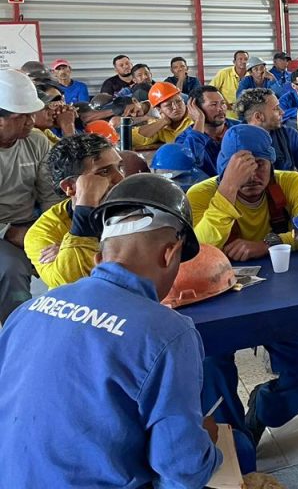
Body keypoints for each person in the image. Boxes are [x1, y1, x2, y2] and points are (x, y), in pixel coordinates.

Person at [0, 173, 222, 488]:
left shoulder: (29, 310)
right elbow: (181, 471)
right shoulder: (168, 333)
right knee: (232, 450)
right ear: (170, 253)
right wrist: (207, 448)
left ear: (98, 259)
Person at [188, 125, 298, 451]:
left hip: (277, 302)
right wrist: (227, 190)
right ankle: (235, 447)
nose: (252, 176)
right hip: (215, 307)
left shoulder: (290, 183)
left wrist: (268, 244)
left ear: (272, 163)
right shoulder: (200, 195)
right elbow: (195, 250)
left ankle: (264, 409)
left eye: (260, 165)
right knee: (210, 369)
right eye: (242, 167)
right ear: (225, 168)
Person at [0, 70, 63, 323]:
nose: (31, 121)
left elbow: (51, 196)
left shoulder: (36, 141)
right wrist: (10, 233)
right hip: (4, 230)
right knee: (11, 269)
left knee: (74, 254)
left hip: (29, 225)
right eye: (22, 116)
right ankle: (17, 333)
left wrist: (59, 233)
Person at [23, 133, 124, 288]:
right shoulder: (43, 232)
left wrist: (69, 250)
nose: (121, 179)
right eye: (104, 172)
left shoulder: (133, 206)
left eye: (120, 167)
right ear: (69, 186)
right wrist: (86, 206)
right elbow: (71, 282)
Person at [235, 88, 298, 205]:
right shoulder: (236, 142)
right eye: (276, 108)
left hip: (288, 202)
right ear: (258, 117)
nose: (282, 112)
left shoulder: (289, 135)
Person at [176, 86, 238, 177]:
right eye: (214, 104)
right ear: (196, 109)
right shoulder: (184, 139)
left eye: (223, 103)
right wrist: (199, 119)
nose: (221, 108)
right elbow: (190, 163)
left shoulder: (240, 129)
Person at [132, 82, 193, 148]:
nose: (176, 107)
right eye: (168, 105)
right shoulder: (160, 127)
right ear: (159, 109)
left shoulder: (195, 118)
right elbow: (132, 138)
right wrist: (163, 122)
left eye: (179, 101)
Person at [210, 50, 248, 118]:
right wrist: (223, 103)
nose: (243, 61)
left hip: (246, 114)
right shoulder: (224, 73)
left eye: (246, 59)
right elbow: (211, 89)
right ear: (234, 62)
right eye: (240, 59)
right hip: (227, 114)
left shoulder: (251, 75)